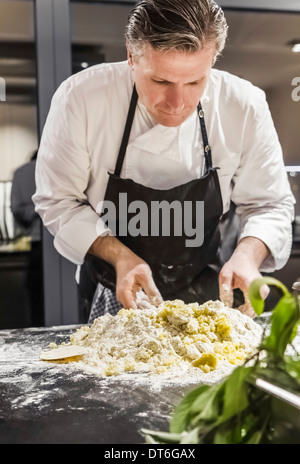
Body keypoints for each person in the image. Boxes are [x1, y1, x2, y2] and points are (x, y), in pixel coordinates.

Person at [33, 0, 295, 322]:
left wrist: (248, 254)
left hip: (206, 293)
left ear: (212, 60)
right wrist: (119, 256)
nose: (177, 103)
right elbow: (58, 200)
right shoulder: (82, 99)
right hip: (114, 292)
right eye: (161, 82)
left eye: (195, 82)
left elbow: (270, 205)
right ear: (131, 56)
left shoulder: (244, 106)